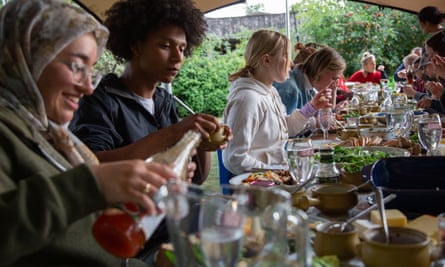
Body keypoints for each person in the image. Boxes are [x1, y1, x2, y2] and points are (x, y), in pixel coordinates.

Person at [0, 0, 179, 266]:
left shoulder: (52, 135)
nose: (88, 88)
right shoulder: (9, 132)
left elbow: (88, 229)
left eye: (91, 70)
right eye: (76, 66)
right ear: (26, 55)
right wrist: (91, 184)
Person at [69, 0, 228, 185]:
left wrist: (201, 141)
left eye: (182, 49)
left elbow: (197, 179)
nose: (177, 57)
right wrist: (172, 133)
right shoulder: (98, 100)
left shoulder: (164, 101)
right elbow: (92, 166)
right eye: (165, 46)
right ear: (136, 46)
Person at [222, 30, 342, 175]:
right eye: (285, 56)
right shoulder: (248, 99)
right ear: (266, 60)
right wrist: (278, 172)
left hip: (275, 179)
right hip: (259, 190)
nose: (291, 63)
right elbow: (234, 158)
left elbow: (286, 129)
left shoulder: (270, 91)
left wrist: (312, 107)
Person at [275, 44, 347, 114]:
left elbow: (324, 116)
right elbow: (285, 125)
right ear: (320, 70)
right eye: (334, 78)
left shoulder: (308, 85)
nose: (335, 83)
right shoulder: (290, 90)